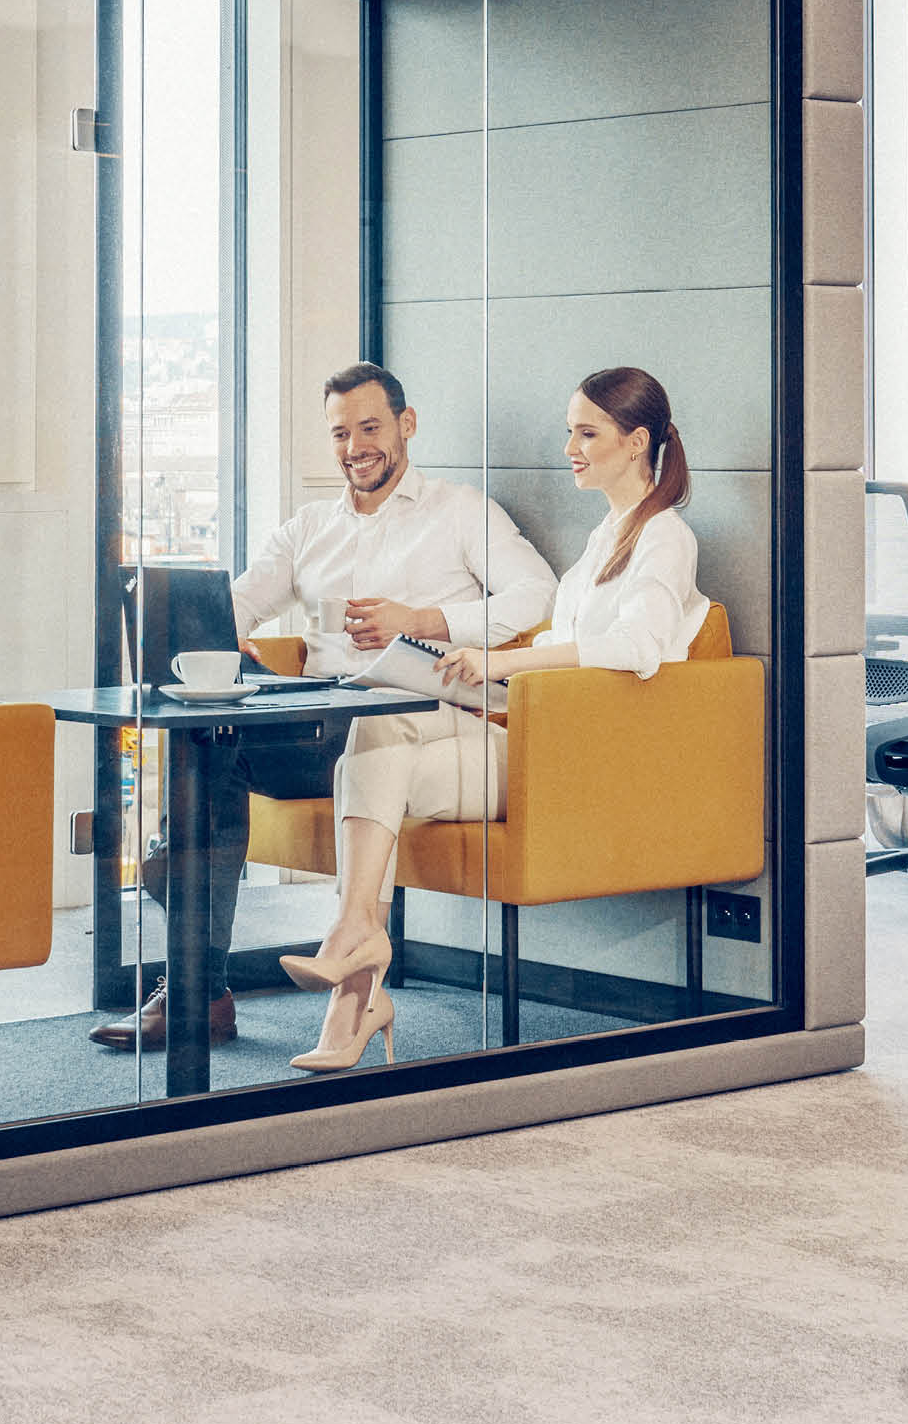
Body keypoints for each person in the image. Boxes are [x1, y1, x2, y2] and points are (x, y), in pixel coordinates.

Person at [89, 362, 555, 1053]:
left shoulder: (460, 513)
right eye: (340, 433)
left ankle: (180, 915)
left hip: (412, 727)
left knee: (219, 767)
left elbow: (537, 596)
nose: (354, 447)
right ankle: (197, 989)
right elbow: (241, 601)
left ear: (407, 425)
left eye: (370, 428)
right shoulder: (309, 527)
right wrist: (221, 634)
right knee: (210, 740)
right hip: (314, 733)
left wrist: (423, 619)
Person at [282, 366, 707, 1072]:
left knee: (376, 769)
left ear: (636, 443)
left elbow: (638, 649)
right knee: (381, 721)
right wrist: (471, 666)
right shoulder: (609, 535)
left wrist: (503, 664)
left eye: (586, 432)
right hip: (526, 728)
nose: (569, 446)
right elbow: (564, 641)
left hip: (567, 760)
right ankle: (356, 957)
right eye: (569, 429)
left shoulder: (665, 538)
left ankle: (354, 978)